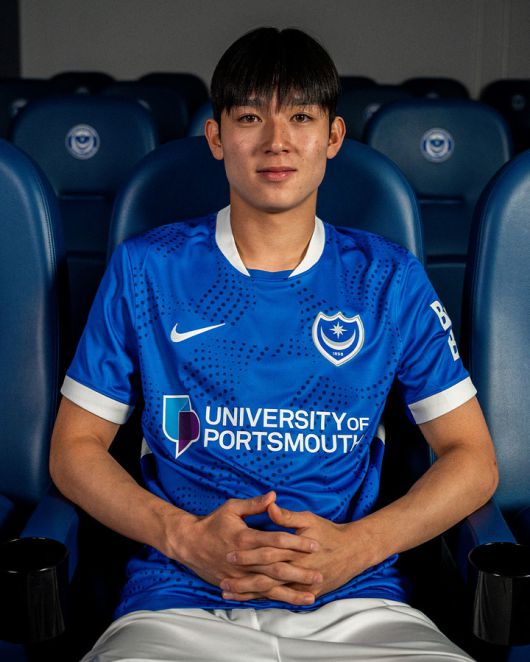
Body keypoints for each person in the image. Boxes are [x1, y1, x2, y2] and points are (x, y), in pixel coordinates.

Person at [50, 27, 498, 661]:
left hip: (355, 602)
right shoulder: (146, 268)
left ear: (333, 137)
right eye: (250, 117)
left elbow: (472, 458)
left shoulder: (388, 277)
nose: (276, 141)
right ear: (216, 137)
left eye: (301, 117)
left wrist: (359, 546)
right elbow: (73, 449)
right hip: (178, 602)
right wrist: (182, 536)